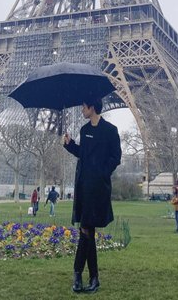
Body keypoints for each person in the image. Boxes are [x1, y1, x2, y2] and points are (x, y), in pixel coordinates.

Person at [63, 98, 122, 294]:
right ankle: (93, 277)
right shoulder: (84, 130)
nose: (81, 110)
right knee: (87, 231)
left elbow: (116, 157)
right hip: (83, 186)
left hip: (98, 188)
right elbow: (83, 153)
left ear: (92, 107)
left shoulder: (110, 130)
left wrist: (102, 172)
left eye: (83, 107)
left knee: (86, 230)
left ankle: (78, 274)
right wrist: (70, 145)